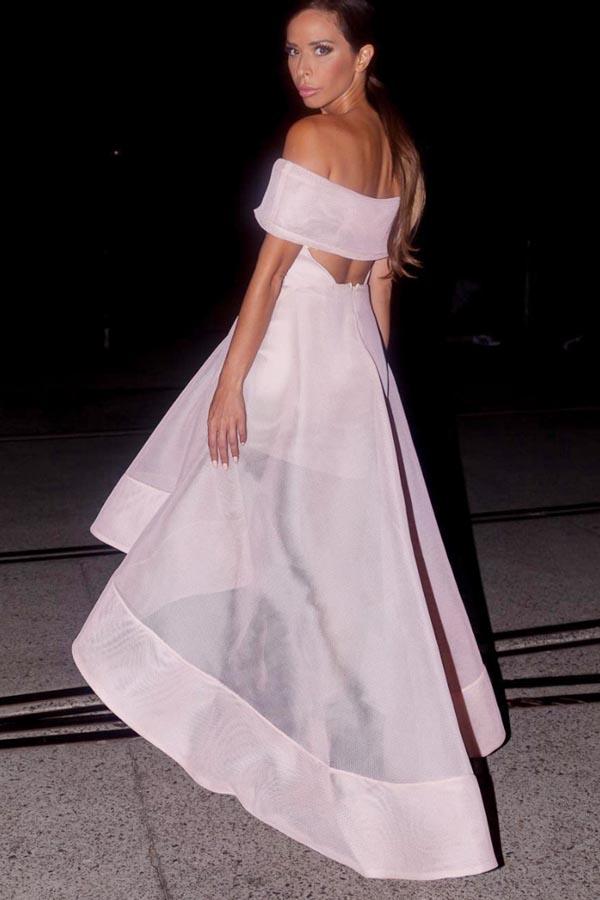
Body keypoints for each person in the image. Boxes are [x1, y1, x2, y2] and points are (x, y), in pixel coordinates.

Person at [72, 0, 506, 881]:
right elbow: (379, 283)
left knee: (238, 536)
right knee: (319, 551)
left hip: (288, 359)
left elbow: (269, 279)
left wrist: (229, 386)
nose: (302, 68)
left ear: (363, 55)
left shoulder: (312, 137)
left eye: (321, 49)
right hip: (351, 364)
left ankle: (266, 722)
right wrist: (374, 390)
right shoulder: (393, 149)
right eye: (293, 51)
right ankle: (322, 716)